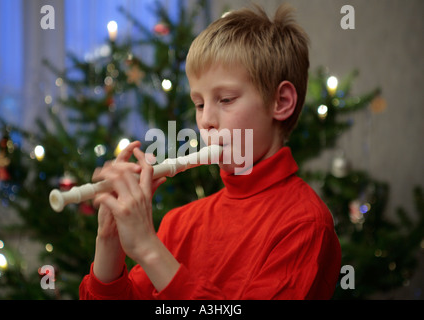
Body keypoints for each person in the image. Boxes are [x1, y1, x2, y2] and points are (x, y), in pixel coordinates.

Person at [79, 3, 341, 300]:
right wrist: (109, 242)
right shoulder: (180, 223)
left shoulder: (304, 225)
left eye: (226, 99)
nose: (205, 121)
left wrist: (149, 251)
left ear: (280, 102)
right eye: (199, 104)